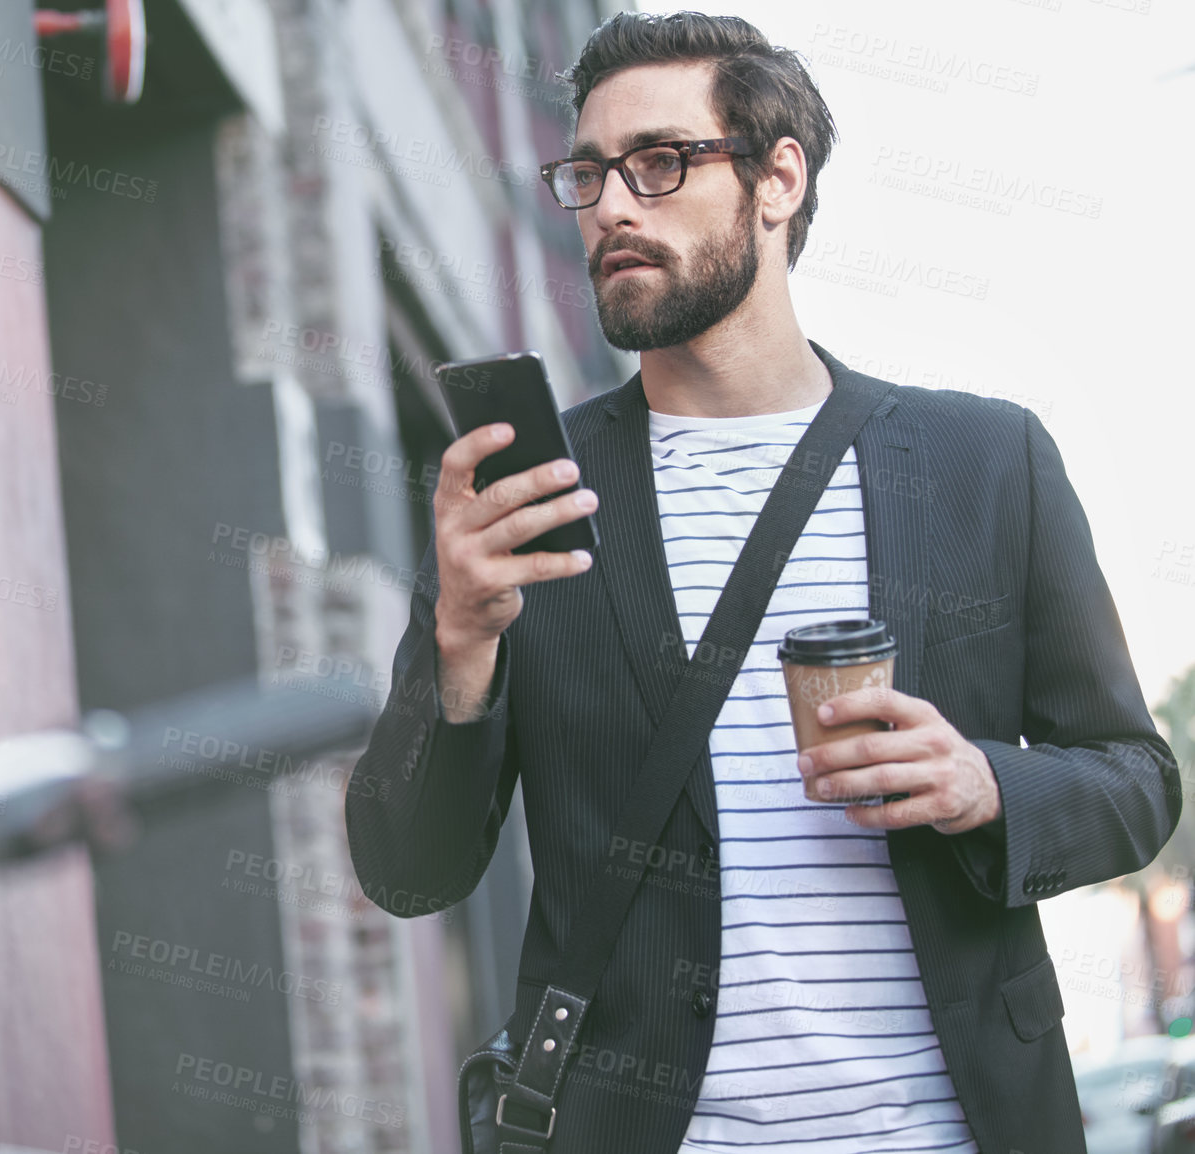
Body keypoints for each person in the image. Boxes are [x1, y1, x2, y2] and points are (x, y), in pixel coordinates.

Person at [343, 11, 1180, 1154]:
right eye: (587, 174)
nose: (614, 208)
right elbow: (407, 868)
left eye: (661, 162)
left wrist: (985, 782)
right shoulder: (531, 497)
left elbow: (1135, 780)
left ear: (778, 177)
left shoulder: (985, 462)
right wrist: (459, 638)